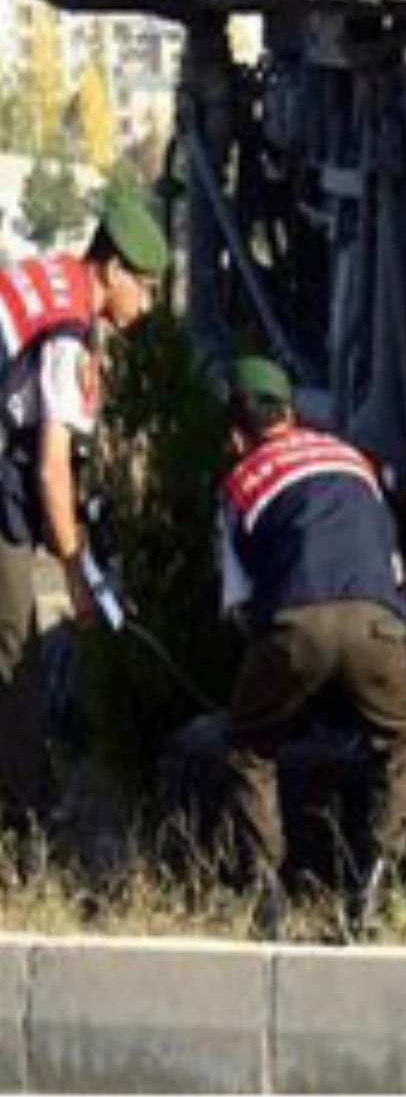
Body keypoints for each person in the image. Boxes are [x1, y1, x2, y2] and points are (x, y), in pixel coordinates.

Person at [217, 356, 406, 938]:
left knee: (249, 747)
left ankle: (267, 896)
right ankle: (373, 890)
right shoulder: (353, 459)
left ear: (236, 432)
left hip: (294, 626)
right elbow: (394, 565)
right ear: (292, 412)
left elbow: (239, 602)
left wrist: (275, 671)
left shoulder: (240, 482)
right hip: (380, 622)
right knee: (395, 749)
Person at [0, 189, 167, 831]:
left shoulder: (53, 280)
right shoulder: (69, 331)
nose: (147, 306)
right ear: (112, 270)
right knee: (16, 656)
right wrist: (75, 572)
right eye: (144, 288)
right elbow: (49, 467)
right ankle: (28, 829)